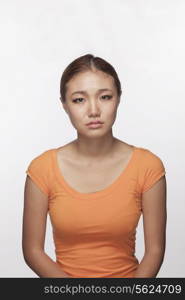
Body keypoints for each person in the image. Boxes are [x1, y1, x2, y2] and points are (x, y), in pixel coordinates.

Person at [22, 53, 167, 278]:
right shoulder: (42, 169)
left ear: (118, 98)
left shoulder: (147, 166)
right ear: (64, 105)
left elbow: (155, 251)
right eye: (79, 99)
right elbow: (33, 251)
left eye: (105, 97)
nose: (93, 111)